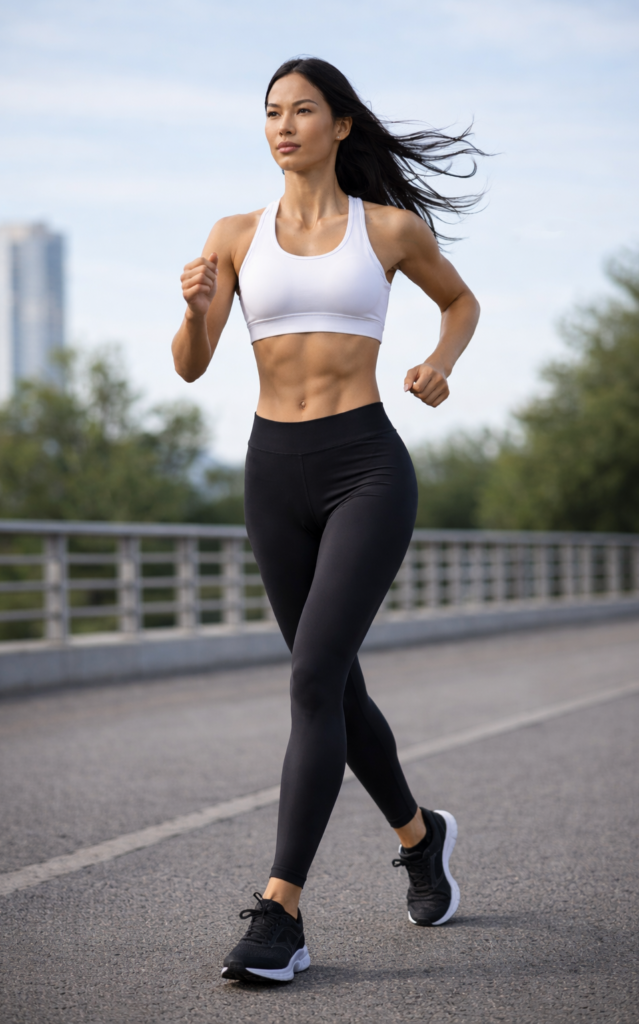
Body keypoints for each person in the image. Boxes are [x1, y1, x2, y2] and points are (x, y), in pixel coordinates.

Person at [171, 57, 482, 983]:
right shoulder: (234, 235)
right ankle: (421, 840)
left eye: (303, 110)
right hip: (274, 470)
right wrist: (192, 312)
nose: (283, 124)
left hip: (364, 468)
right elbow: (191, 366)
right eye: (271, 111)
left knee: (311, 677)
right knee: (333, 686)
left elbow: (460, 301)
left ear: (340, 125)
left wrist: (439, 362)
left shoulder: (387, 228)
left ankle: (281, 915)